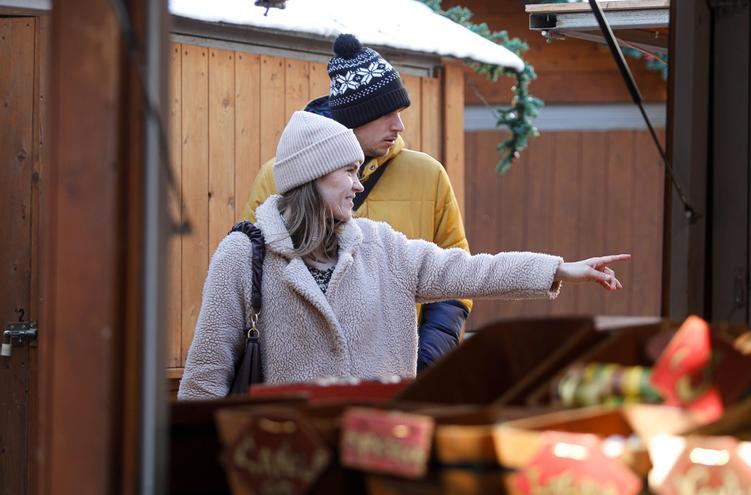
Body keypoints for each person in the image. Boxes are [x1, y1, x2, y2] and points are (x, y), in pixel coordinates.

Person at [178, 111, 629, 400]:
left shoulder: (383, 247)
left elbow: (471, 271)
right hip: (287, 464)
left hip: (379, 459)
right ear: (313, 177)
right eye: (349, 172)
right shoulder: (245, 254)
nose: (359, 185)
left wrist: (559, 269)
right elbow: (205, 375)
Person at [244, 34, 470, 373]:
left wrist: (427, 360)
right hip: (300, 379)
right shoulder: (276, 177)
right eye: (386, 113)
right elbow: (250, 276)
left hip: (399, 375)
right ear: (354, 116)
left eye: (400, 111)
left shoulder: (429, 175)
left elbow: (457, 274)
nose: (399, 125)